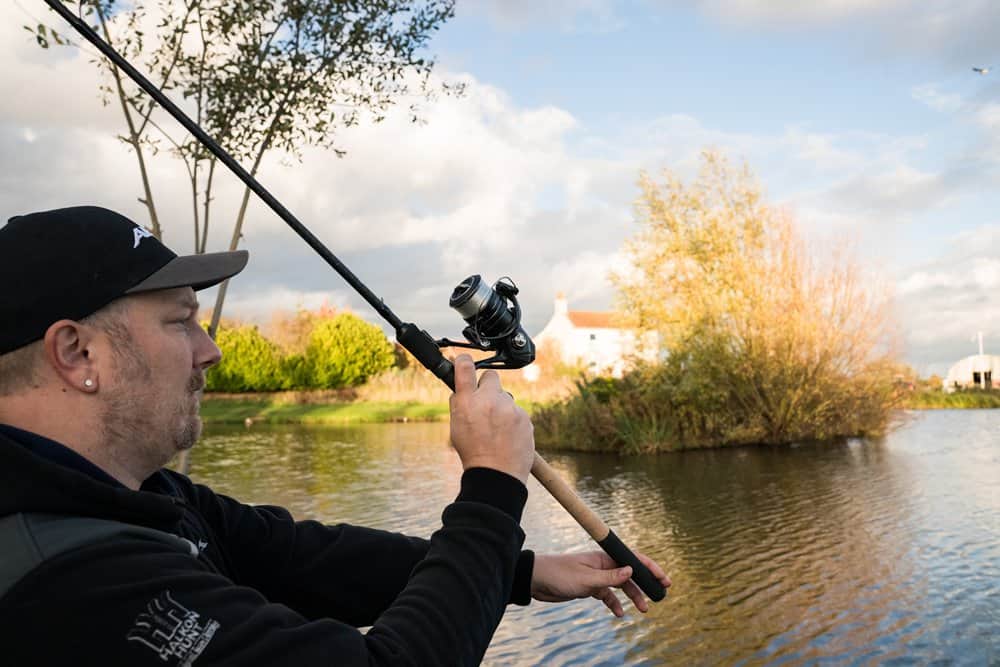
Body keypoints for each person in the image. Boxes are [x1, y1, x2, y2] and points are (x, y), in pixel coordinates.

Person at [0, 206, 670, 666]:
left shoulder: (128, 493)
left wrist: (518, 570)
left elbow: (300, 558)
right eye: (181, 323)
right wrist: (492, 489)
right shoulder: (63, 577)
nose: (211, 351)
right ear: (77, 353)